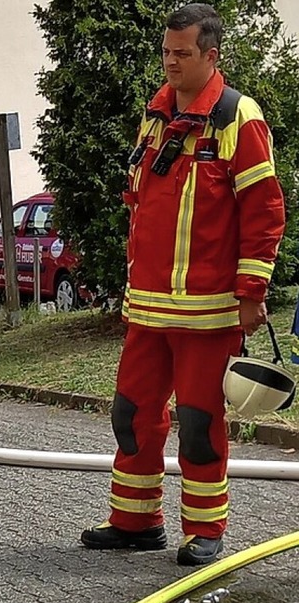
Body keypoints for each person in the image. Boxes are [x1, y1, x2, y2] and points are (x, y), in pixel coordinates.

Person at [80, 4, 285, 566]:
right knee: (131, 413)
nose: (170, 63)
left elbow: (265, 210)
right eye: (166, 52)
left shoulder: (239, 118)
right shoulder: (156, 114)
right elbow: (137, 202)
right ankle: (135, 521)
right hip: (148, 305)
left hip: (209, 309)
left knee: (198, 422)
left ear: (211, 55)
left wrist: (251, 293)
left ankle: (206, 530)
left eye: (182, 54)